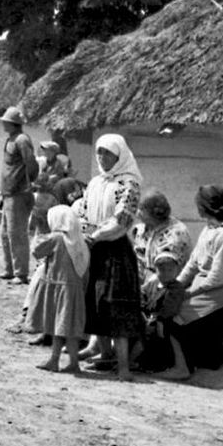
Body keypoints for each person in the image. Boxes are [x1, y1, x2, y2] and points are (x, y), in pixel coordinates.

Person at [76, 134, 144, 380]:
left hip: (115, 249)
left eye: (108, 153)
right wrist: (85, 233)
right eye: (99, 152)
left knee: (116, 304)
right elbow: (83, 211)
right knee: (96, 302)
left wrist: (97, 236)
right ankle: (105, 356)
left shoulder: (129, 184)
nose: (102, 158)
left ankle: (123, 366)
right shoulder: (95, 183)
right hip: (94, 246)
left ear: (119, 156)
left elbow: (122, 219)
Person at [168, 185, 223, 373]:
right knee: (166, 302)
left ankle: (183, 368)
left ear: (203, 208)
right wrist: (177, 285)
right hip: (205, 287)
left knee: (177, 312)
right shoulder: (208, 230)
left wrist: (187, 294)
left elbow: (217, 278)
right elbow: (193, 264)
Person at [27, 205, 90, 373]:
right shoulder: (79, 241)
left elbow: (36, 251)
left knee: (58, 327)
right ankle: (73, 362)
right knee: (70, 328)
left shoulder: (56, 239)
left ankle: (54, 360)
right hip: (74, 290)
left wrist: (39, 231)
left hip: (57, 287)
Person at [0, 107, 38, 283]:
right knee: (5, 233)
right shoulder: (10, 139)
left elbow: (31, 163)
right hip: (8, 193)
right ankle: (10, 269)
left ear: (13, 123)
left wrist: (29, 184)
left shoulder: (22, 140)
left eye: (5, 121)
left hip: (19, 193)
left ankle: (21, 273)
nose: (3, 124)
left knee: (17, 234)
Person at [138, 252, 190, 379]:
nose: (166, 273)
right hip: (150, 318)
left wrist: (158, 319)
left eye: (170, 270)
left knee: (162, 332)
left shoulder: (176, 288)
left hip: (165, 319)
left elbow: (170, 307)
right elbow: (142, 294)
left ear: (177, 271)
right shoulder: (153, 284)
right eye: (162, 270)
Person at [130, 190, 193, 280]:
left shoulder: (175, 236)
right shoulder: (141, 229)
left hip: (166, 282)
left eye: (141, 209)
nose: (137, 212)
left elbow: (168, 273)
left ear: (154, 213)